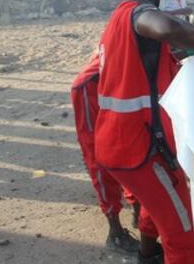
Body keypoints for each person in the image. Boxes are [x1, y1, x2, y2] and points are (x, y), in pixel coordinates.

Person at [95, 0, 194, 264]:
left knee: (156, 207)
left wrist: (186, 53)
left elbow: (149, 64)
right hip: (138, 147)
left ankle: (148, 254)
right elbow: (167, 27)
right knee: (185, 232)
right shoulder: (137, 13)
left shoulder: (116, 18)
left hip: (121, 142)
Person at [71, 54, 141, 253]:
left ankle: (137, 207)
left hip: (122, 86)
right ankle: (115, 231)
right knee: (99, 157)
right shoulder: (149, 25)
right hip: (94, 89)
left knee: (132, 146)